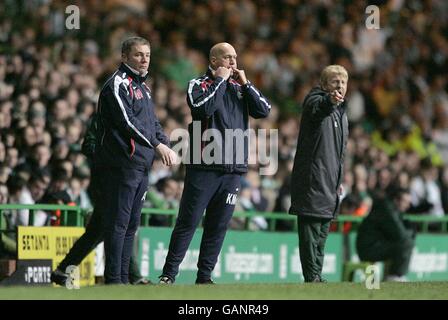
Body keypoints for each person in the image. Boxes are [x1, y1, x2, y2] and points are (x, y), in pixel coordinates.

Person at [159, 42, 271, 284]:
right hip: (204, 166)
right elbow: (202, 108)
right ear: (213, 61)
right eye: (227, 57)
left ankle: (204, 277)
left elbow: (264, 111)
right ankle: (168, 275)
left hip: (233, 170)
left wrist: (247, 84)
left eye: (235, 57)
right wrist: (220, 81)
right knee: (188, 221)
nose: (233, 62)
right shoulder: (198, 84)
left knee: (218, 226)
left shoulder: (240, 87)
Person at [95, 37, 176, 284]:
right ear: (124, 57)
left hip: (141, 165)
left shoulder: (143, 86)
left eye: (147, 55)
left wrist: (164, 142)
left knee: (131, 224)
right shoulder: (116, 84)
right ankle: (113, 280)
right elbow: (127, 122)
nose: (144, 59)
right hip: (122, 164)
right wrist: (156, 144)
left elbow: (152, 122)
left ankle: (123, 279)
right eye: (139, 54)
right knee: (118, 223)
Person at [50, 113, 151, 286]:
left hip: (123, 182)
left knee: (99, 232)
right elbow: (88, 146)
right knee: (116, 227)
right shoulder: (102, 118)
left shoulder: (132, 117)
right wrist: (112, 156)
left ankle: (61, 271)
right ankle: (130, 276)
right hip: (106, 184)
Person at [289, 65, 349, 283]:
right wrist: (329, 102)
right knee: (311, 231)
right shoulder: (316, 101)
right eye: (335, 81)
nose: (339, 86)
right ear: (324, 84)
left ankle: (317, 275)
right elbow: (318, 109)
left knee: (322, 232)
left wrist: (339, 178)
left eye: (343, 82)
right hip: (313, 179)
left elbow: (339, 152)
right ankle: (311, 276)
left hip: (330, 181)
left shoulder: (341, 112)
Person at [356, 188, 415, 282]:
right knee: (406, 243)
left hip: (374, 245)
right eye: (405, 202)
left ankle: (395, 276)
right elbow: (400, 235)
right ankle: (395, 277)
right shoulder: (387, 210)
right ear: (396, 200)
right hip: (369, 249)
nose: (408, 206)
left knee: (406, 242)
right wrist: (411, 232)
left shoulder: (390, 208)